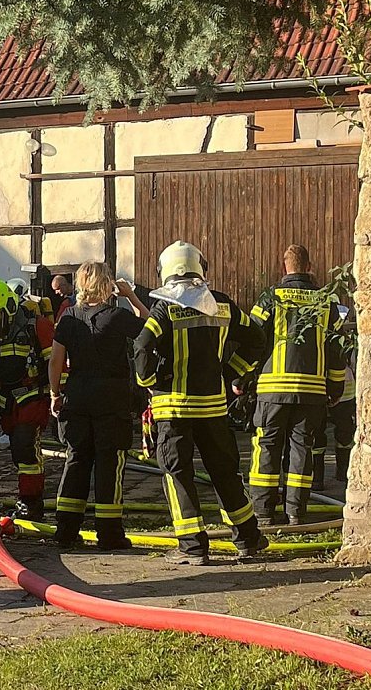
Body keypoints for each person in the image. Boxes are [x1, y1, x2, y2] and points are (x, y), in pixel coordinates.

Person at [134, 241, 267, 565]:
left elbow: (141, 349)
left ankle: (192, 547)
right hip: (214, 408)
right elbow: (258, 338)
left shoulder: (165, 310)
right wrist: (233, 373)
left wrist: (150, 383)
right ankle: (249, 538)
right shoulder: (222, 305)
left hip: (174, 410)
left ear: (165, 272)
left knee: (178, 475)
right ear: (200, 268)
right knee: (224, 474)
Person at [48, 262, 149, 549]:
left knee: (76, 459)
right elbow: (152, 327)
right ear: (108, 285)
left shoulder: (69, 318)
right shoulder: (117, 316)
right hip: (111, 400)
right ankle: (109, 533)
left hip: (77, 397)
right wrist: (131, 296)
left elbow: (56, 360)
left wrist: (55, 394)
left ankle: (66, 530)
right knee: (109, 464)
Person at [247, 244, 346, 526]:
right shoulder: (326, 301)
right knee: (302, 449)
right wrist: (335, 387)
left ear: (284, 266)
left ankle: (263, 513)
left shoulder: (270, 298)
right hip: (312, 391)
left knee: (267, 446)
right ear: (309, 266)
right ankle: (295, 513)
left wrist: (240, 376)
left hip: (273, 391)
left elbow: (253, 339)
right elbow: (337, 349)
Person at [0, 279, 54, 521]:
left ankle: (32, 503)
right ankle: (27, 497)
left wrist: (60, 398)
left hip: (33, 398)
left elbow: (55, 366)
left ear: (9, 308)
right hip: (6, 402)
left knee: (26, 449)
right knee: (18, 453)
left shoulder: (38, 327)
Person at [311, 306, 357, 488]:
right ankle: (325, 477)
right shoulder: (338, 338)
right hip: (336, 391)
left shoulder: (316, 333)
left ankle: (330, 475)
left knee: (335, 433)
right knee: (324, 434)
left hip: (334, 391)